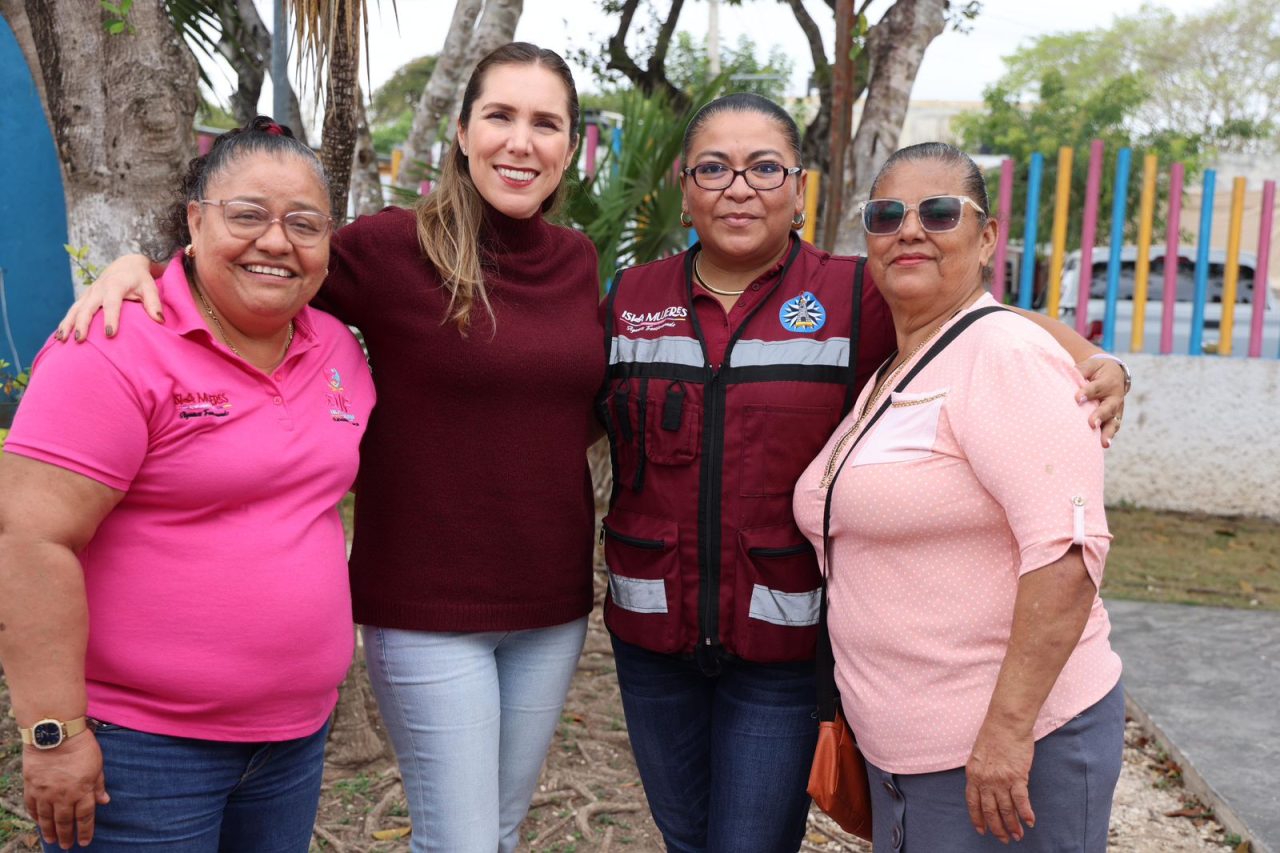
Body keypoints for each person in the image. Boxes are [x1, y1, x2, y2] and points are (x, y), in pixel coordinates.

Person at [53, 44, 601, 853]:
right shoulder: (392, 247)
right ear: (461, 131)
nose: (521, 142)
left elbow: (573, 410)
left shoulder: (578, 261)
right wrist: (136, 266)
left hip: (553, 604)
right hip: (429, 606)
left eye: (545, 123)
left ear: (570, 145)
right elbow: (258, 257)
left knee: (501, 831)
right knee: (461, 843)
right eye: (500, 116)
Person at [598, 95, 1129, 852]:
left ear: (799, 192)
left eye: (764, 168)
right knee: (684, 836)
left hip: (782, 647)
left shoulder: (855, 293)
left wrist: (1096, 359)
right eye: (713, 168)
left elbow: (983, 319)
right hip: (653, 636)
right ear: (684, 189)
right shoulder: (631, 299)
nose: (739, 188)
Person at [0, 118, 374, 852]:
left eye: (304, 223)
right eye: (247, 215)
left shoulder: (336, 348)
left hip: (292, 743)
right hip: (141, 751)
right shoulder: (115, 343)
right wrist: (53, 733)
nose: (276, 241)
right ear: (195, 221)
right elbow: (29, 539)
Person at [793, 142, 1124, 852]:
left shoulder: (1005, 353)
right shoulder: (904, 363)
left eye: (940, 212)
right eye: (887, 215)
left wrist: (1006, 732)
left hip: (1003, 753)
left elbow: (1067, 556)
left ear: (987, 238)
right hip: (908, 755)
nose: (910, 230)